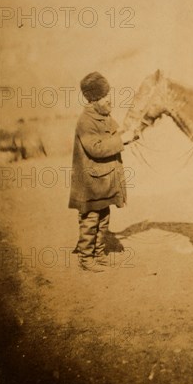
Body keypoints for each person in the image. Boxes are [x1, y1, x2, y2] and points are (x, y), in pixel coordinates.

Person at [68, 72, 136, 272]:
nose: (109, 99)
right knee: (90, 220)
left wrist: (130, 135)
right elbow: (96, 148)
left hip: (103, 181)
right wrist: (121, 141)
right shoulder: (85, 121)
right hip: (90, 183)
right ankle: (86, 258)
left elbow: (115, 136)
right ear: (94, 99)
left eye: (109, 94)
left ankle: (98, 253)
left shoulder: (103, 116)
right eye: (105, 96)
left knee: (103, 217)